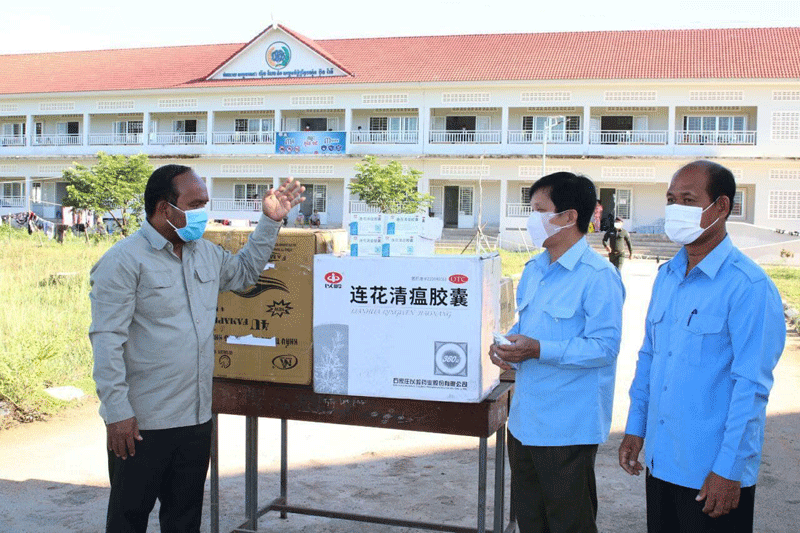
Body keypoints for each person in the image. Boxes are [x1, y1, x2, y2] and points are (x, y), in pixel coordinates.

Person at [89, 164, 304, 532]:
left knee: (184, 519)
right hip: (143, 423)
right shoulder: (123, 261)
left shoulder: (204, 253)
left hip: (195, 420)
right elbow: (106, 339)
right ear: (164, 209)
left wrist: (270, 221)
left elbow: (244, 273)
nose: (204, 212)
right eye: (196, 204)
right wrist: (117, 413)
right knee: (128, 518)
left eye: (205, 203)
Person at [618, 160, 785, 533]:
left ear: (721, 207)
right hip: (662, 462)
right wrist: (636, 427)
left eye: (688, 200)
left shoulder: (748, 287)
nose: (676, 209)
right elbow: (649, 358)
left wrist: (729, 469)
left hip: (711, 472)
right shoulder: (667, 277)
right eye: (671, 200)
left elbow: (751, 387)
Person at [489, 171, 625, 533]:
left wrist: (538, 349)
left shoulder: (598, 276)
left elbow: (604, 348)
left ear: (568, 217)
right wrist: (508, 347)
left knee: (569, 524)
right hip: (525, 422)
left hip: (567, 428)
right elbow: (529, 329)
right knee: (531, 521)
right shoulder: (534, 269)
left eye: (539, 210)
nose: (531, 219)